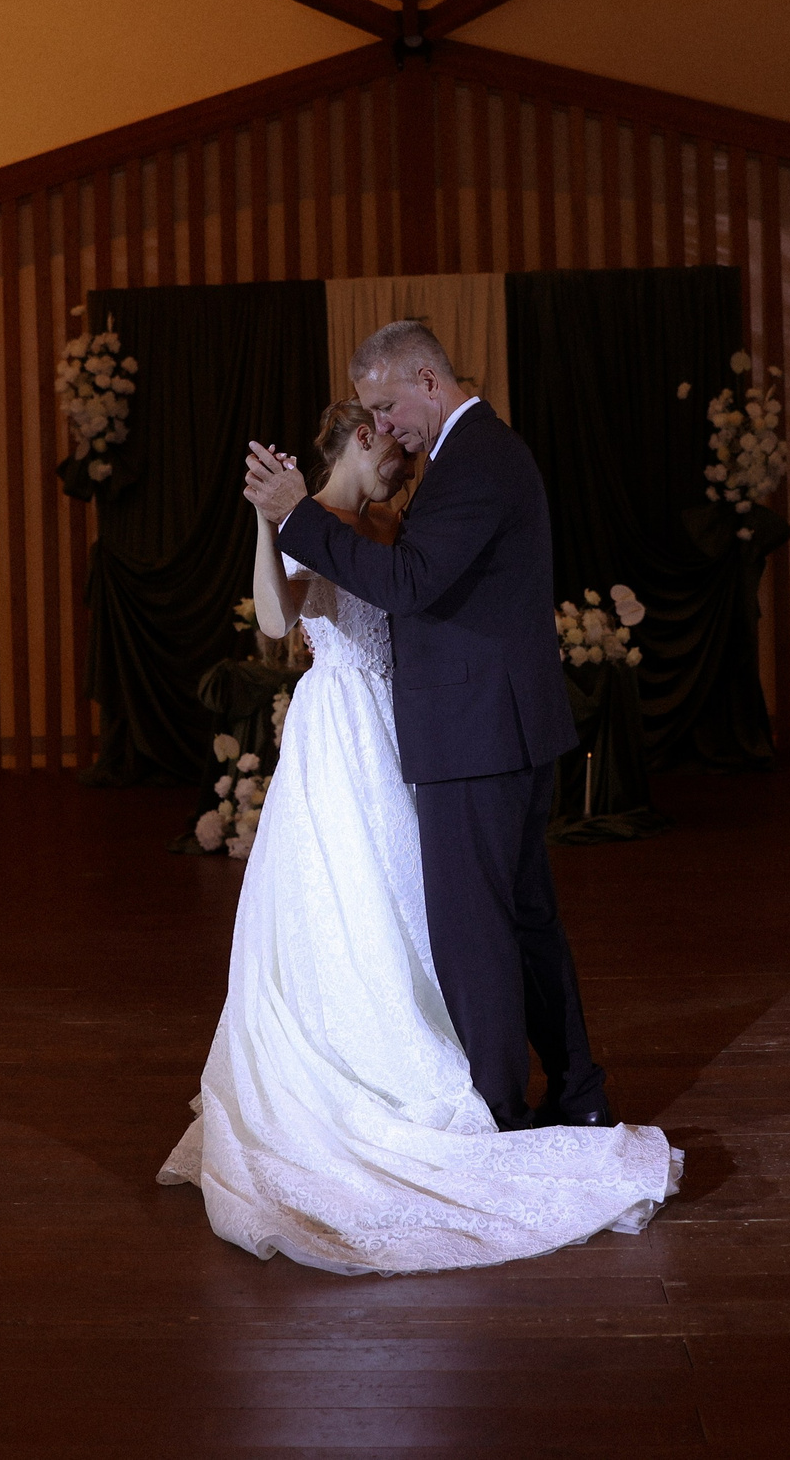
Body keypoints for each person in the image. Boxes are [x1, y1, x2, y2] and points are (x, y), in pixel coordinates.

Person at [165, 395, 677, 1274]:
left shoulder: (378, 523)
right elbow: (279, 620)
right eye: (394, 445)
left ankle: (482, 1065)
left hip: (407, 732)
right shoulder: (320, 523)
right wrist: (266, 517)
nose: (406, 458)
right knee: (358, 913)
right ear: (363, 435)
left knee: (428, 909)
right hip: (343, 738)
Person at [244, 321, 618, 1138]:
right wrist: (288, 524)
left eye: (388, 404)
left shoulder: (476, 457)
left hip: (477, 733)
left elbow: (410, 583)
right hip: (485, 727)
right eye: (370, 416)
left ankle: (496, 1111)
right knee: (519, 922)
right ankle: (578, 1090)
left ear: (426, 376)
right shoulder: (471, 457)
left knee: (474, 932)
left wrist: (296, 518)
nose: (388, 427)